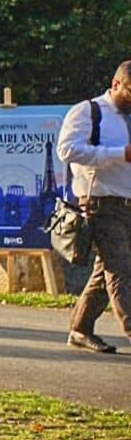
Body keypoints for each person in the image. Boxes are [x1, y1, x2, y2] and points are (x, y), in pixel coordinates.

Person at [57, 61, 131, 353]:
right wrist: (119, 154)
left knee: (106, 270)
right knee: (121, 268)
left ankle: (80, 329)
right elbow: (66, 149)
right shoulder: (89, 111)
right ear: (116, 85)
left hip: (128, 199)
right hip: (100, 200)